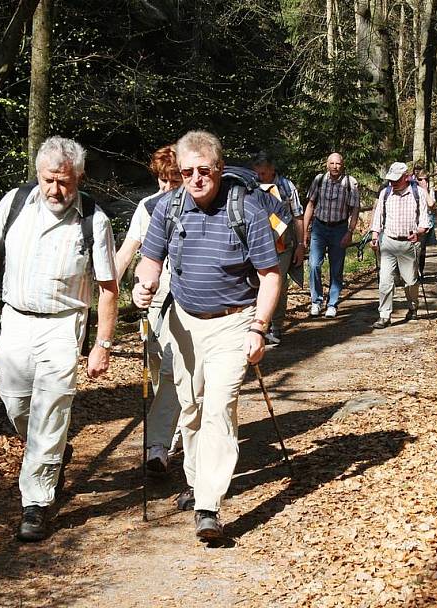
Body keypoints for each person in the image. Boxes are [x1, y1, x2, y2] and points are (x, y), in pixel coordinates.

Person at [132, 130, 280, 539]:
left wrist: (259, 329)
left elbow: (270, 276)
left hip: (234, 322)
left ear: (218, 168)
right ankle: (197, 484)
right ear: (178, 173)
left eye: (204, 171)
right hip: (184, 322)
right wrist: (143, 285)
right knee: (191, 409)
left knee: (218, 408)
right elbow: (150, 260)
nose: (196, 179)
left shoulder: (246, 210)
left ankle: (209, 506)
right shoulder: (168, 207)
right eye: (187, 172)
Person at [0, 136, 118, 541]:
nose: (56, 190)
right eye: (49, 180)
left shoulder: (94, 220)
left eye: (64, 182)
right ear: (37, 174)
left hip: (63, 324)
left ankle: (36, 502)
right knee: (16, 402)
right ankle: (52, 453)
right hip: (15, 318)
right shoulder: (14, 203)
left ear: (79, 178)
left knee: (50, 409)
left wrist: (101, 344)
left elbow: (107, 287)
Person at [115, 145, 182, 474]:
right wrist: (106, 289)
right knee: (157, 369)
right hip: (151, 298)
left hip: (184, 298)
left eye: (171, 180)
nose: (165, 187)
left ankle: (158, 446)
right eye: (161, 179)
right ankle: (176, 425)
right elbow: (128, 249)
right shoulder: (148, 206)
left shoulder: (196, 206)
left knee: (171, 367)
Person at [251, 151, 305, 345]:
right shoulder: (251, 186)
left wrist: (301, 244)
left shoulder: (286, 187)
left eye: (263, 173)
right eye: (257, 173)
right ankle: (257, 326)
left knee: (278, 286)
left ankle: (277, 327)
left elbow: (298, 216)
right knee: (255, 285)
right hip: (257, 245)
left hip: (283, 246)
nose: (260, 177)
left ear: (272, 170)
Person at [369, 162, 431, 329]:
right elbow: (378, 217)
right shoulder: (385, 193)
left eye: (396, 179)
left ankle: (413, 307)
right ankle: (384, 315)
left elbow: (425, 220)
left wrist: (418, 232)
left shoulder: (417, 193)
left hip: (409, 244)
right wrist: (375, 235)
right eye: (390, 179)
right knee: (385, 281)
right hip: (388, 242)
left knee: (410, 281)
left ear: (406, 177)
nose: (392, 183)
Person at [303, 153, 360, 318]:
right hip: (319, 228)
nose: (335, 166)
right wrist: (305, 231)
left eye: (338, 164)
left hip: (339, 228)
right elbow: (310, 205)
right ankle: (316, 301)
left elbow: (355, 209)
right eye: (332, 163)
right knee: (313, 265)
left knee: (336, 268)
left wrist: (350, 232)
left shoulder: (350, 183)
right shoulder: (319, 180)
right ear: (327, 164)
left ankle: (332, 303)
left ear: (343, 165)